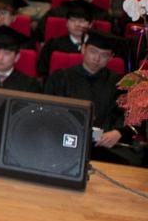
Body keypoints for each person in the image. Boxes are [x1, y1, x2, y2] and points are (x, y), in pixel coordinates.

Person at [44, 30, 141, 166]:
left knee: (133, 161)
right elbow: (48, 112)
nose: (97, 58)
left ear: (111, 57)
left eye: (104, 55)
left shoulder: (120, 83)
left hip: (105, 145)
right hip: (66, 141)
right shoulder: (60, 78)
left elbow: (131, 114)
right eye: (93, 52)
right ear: (83, 49)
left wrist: (118, 132)